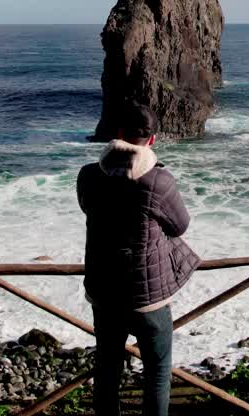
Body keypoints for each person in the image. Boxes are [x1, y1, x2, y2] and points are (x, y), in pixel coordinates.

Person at [78, 102, 200, 416]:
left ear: (117, 134)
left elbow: (88, 208)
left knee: (107, 370)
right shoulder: (159, 181)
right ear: (153, 140)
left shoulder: (89, 175)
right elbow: (180, 225)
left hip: (104, 292)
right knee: (157, 372)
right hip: (149, 300)